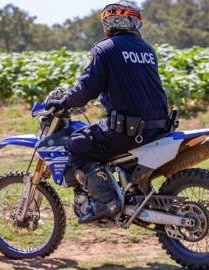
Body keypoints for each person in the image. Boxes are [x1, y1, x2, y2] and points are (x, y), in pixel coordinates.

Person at [46, 1, 170, 223]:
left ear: (108, 22)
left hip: (129, 130)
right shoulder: (147, 49)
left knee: (76, 144)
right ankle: (128, 191)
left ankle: (106, 203)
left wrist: (63, 102)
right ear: (134, 21)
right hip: (160, 127)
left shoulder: (105, 49)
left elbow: (86, 89)